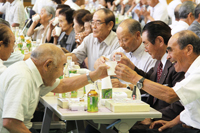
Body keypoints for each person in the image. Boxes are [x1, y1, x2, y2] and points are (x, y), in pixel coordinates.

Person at [0, 43, 109, 133]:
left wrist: (94, 75)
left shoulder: (31, 71)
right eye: (62, 66)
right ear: (48, 65)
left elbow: (62, 85)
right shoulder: (23, 78)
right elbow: (10, 122)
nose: (62, 72)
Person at [115, 30, 200, 132]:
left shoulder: (198, 71)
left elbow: (171, 95)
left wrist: (134, 78)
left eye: (170, 51)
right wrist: (173, 122)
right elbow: (193, 106)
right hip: (182, 125)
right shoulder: (191, 70)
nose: (168, 56)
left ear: (189, 49)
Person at [94, 19, 156, 89]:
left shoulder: (150, 54)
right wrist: (100, 61)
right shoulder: (121, 51)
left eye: (124, 40)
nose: (121, 44)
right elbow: (96, 65)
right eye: (119, 40)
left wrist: (124, 86)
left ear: (138, 35)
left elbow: (151, 87)